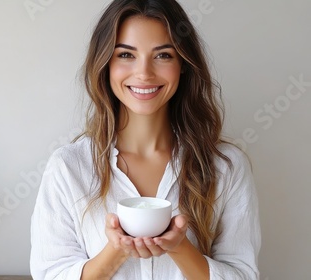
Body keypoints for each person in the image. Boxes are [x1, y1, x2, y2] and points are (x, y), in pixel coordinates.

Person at [30, 0, 261, 279]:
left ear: (184, 64)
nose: (144, 73)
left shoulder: (227, 166)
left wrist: (179, 247)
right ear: (105, 63)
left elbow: (243, 275)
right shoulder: (68, 167)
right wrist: (116, 250)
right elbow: (51, 274)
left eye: (163, 55)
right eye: (126, 55)